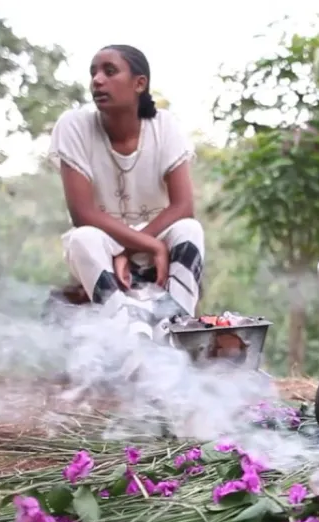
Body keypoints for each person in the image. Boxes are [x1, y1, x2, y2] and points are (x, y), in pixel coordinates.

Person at [49, 44, 204, 323]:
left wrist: (135, 249)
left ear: (139, 83)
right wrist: (131, 249)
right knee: (82, 237)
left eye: (109, 71)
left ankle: (177, 325)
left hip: (155, 239)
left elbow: (183, 205)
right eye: (93, 73)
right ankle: (125, 330)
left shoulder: (165, 126)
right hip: (102, 247)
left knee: (189, 229)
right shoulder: (74, 126)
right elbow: (82, 214)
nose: (97, 80)